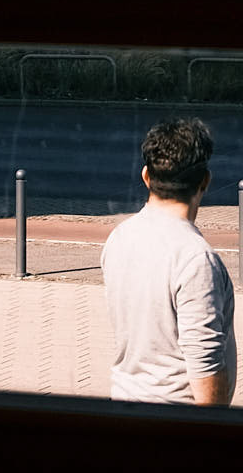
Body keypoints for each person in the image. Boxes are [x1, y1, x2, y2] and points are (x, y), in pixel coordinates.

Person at [100, 118, 236, 406]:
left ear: (146, 177)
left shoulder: (120, 237)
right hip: (176, 417)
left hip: (123, 405)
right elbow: (205, 366)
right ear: (205, 181)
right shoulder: (196, 258)